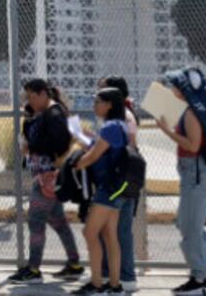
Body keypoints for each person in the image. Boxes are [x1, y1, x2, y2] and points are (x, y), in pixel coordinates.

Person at [155, 70, 206, 295]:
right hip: (196, 174)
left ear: (183, 89)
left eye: (173, 85)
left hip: (198, 176)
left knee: (190, 229)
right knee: (186, 223)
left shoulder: (192, 113)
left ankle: (199, 279)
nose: (170, 88)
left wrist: (167, 131)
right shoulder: (191, 109)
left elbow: (192, 145)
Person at [9, 78, 83, 284]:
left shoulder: (54, 115)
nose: (29, 101)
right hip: (45, 176)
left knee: (35, 221)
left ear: (43, 94)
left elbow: (57, 144)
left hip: (48, 177)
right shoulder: (46, 113)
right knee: (59, 223)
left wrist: (31, 147)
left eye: (32, 96)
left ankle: (33, 269)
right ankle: (74, 265)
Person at [72, 87, 129, 296]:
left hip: (109, 188)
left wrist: (76, 164)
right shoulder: (117, 125)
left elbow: (94, 156)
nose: (94, 105)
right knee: (109, 235)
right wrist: (90, 139)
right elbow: (101, 149)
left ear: (109, 104)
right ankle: (114, 286)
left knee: (89, 232)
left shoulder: (111, 126)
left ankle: (96, 285)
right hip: (116, 186)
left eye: (97, 101)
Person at [96, 76, 138, 292]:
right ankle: (110, 274)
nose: (97, 97)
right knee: (110, 230)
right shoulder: (117, 118)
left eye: (102, 93)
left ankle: (125, 277)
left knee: (120, 231)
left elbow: (123, 149)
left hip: (120, 181)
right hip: (118, 180)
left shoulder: (124, 117)